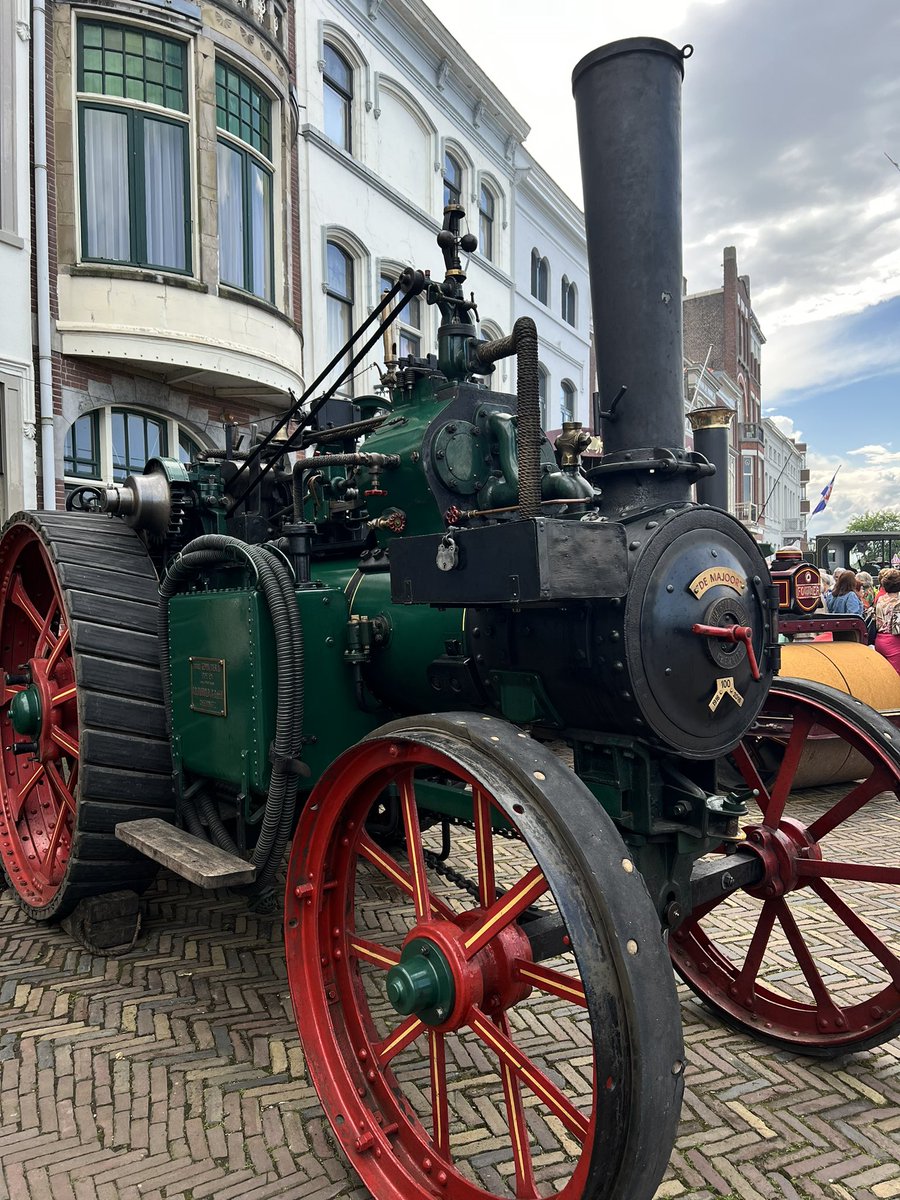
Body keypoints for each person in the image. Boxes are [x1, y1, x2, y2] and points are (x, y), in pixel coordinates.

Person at [874, 568, 900, 673]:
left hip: (880, 639)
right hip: (894, 642)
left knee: (883, 674)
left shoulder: (881, 599)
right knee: (896, 677)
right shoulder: (898, 602)